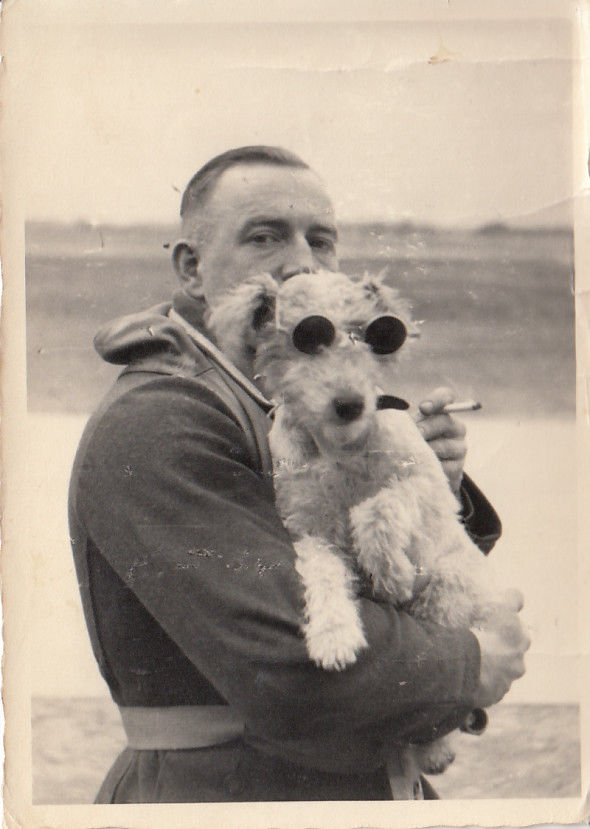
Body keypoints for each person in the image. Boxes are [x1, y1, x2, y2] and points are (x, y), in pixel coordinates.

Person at [68, 145, 529, 803]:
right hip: (228, 796)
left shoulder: (271, 394)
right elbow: (288, 661)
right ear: (191, 268)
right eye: (265, 236)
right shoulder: (160, 419)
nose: (303, 262)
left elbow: (375, 577)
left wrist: (433, 488)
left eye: (322, 240)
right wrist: (471, 663)